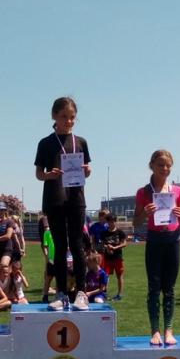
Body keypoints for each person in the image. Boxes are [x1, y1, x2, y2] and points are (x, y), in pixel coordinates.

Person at [35, 96, 91, 309]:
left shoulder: (81, 142)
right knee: (59, 247)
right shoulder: (46, 143)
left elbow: (87, 170)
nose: (68, 121)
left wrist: (88, 170)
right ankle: (61, 294)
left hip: (76, 199)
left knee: (77, 245)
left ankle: (81, 293)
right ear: (54, 116)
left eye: (72, 117)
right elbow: (39, 174)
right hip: (55, 199)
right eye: (64, 116)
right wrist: (50, 175)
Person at [133, 149, 180, 347]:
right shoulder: (143, 192)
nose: (165, 169)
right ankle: (155, 330)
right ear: (152, 166)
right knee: (154, 287)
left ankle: (169, 330)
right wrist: (145, 214)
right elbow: (135, 223)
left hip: (173, 240)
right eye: (161, 165)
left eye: (168, 165)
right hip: (155, 240)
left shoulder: (178, 191)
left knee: (170, 288)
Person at [100, 213, 127, 301]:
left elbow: (124, 243)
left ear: (115, 221)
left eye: (113, 221)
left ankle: (119, 294)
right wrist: (107, 247)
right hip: (107, 258)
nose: (111, 223)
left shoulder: (120, 232)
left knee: (119, 275)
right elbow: (102, 244)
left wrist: (115, 247)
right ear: (107, 222)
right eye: (110, 222)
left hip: (118, 258)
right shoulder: (104, 233)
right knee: (105, 276)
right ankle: (104, 293)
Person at [0, 202, 19, 267]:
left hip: (7, 248)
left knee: (3, 265)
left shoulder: (9, 222)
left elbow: (8, 236)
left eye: (2, 210)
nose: (0, 212)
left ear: (5, 211)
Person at [38, 215, 57, 303]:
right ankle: (45, 296)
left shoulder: (61, 232)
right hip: (51, 259)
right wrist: (47, 257)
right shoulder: (47, 233)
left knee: (59, 278)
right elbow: (45, 246)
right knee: (48, 278)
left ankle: (58, 296)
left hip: (59, 259)